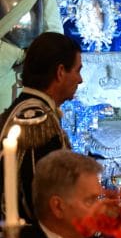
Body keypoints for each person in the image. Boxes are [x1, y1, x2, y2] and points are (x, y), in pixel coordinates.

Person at [0, 32, 81, 222]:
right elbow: (42, 199)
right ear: (60, 72)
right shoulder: (37, 120)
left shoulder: (26, 108)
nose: (80, 79)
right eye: (77, 70)